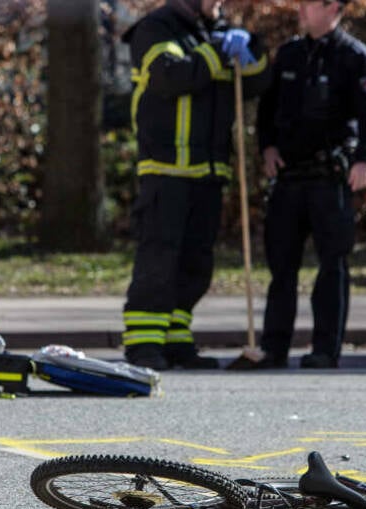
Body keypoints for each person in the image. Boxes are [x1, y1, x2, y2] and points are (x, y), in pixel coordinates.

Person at [119, 0, 270, 371]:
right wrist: (218, 50)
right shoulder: (155, 29)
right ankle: (143, 343)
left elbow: (253, 84)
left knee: (195, 264)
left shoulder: (217, 35)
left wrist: (256, 51)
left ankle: (175, 338)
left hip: (208, 171)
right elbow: (172, 76)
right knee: (158, 260)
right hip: (166, 168)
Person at [250, 0, 366, 369]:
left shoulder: (354, 57)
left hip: (329, 179)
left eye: (308, 4)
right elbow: (267, 110)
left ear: (332, 8)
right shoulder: (290, 55)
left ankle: (325, 348)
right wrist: (267, 148)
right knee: (281, 267)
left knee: (332, 266)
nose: (301, 11)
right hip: (290, 178)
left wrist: (365, 160)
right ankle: (274, 348)